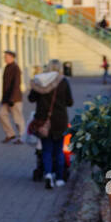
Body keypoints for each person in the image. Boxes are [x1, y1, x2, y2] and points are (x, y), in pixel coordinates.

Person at [28, 59, 73, 189]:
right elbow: (70, 102)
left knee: (46, 150)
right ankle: (59, 178)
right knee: (59, 150)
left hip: (43, 122)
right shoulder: (63, 81)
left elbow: (31, 98)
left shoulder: (39, 81)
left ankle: (48, 174)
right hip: (60, 121)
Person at [0, 50, 24, 144]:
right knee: (1, 114)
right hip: (6, 98)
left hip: (14, 98)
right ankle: (10, 134)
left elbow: (16, 84)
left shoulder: (15, 68)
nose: (5, 58)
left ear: (12, 57)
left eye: (6, 57)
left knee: (17, 118)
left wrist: (12, 99)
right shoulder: (7, 67)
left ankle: (22, 136)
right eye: (4, 57)